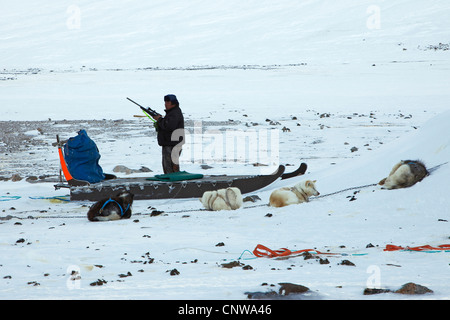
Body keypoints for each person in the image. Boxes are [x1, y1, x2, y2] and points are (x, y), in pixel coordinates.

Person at [152, 94, 185, 174]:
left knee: (170, 167)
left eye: (168, 102)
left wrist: (159, 119)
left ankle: (172, 184)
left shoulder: (174, 113)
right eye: (165, 102)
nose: (165, 104)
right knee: (170, 166)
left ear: (173, 103)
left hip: (172, 144)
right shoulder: (173, 112)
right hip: (171, 143)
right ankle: (173, 184)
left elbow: (169, 126)